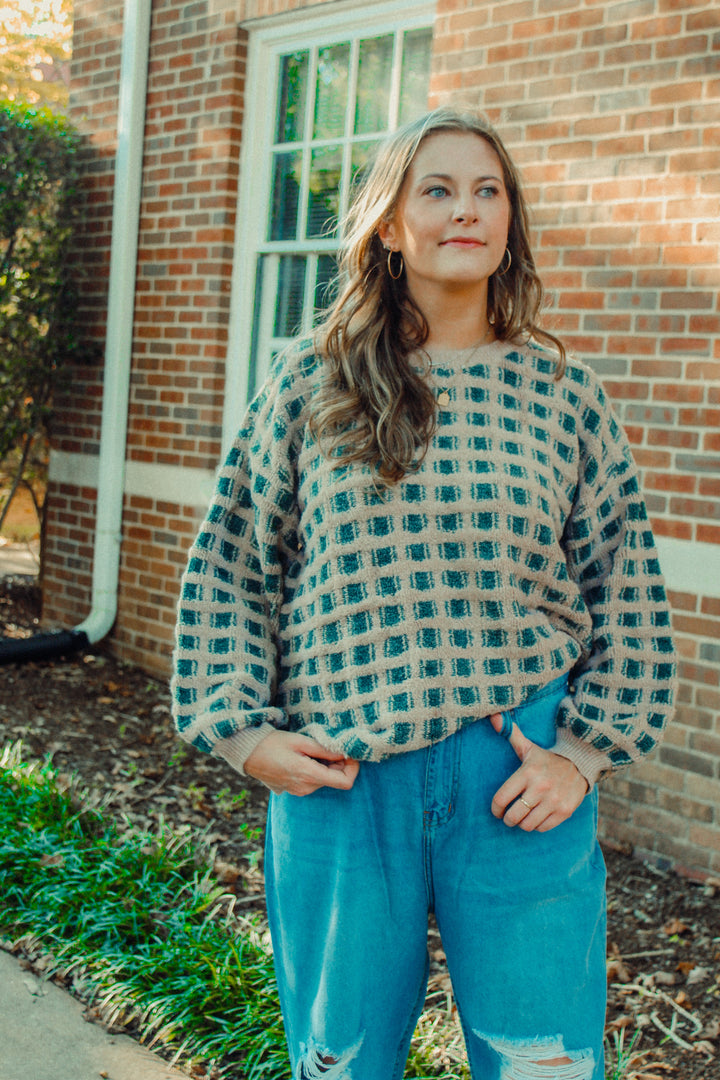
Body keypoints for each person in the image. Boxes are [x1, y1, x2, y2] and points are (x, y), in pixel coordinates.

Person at [172, 107, 676, 1080]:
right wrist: (243, 734)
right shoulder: (311, 382)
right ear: (389, 225)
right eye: (436, 189)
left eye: (489, 190)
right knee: (342, 1063)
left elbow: (630, 590)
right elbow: (234, 563)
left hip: (518, 777)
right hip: (344, 779)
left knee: (547, 1064)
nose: (466, 210)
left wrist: (582, 755)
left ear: (511, 223)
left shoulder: (563, 396)